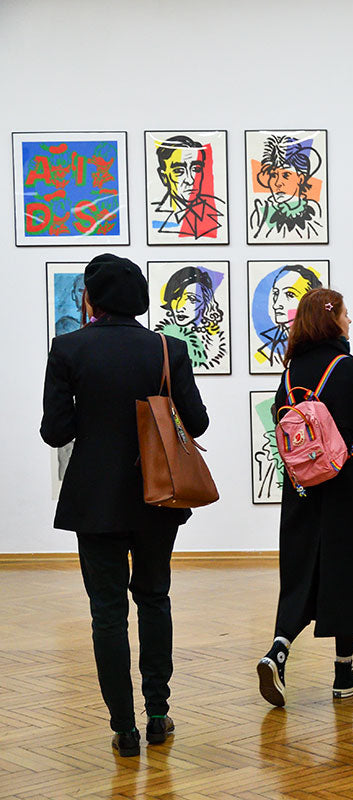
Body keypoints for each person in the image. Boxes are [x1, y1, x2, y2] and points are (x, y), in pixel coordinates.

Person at [40, 253, 209, 758]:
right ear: (138, 296)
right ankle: (158, 713)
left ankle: (124, 728)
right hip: (157, 495)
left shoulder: (68, 348)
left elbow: (55, 431)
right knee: (154, 597)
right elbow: (196, 424)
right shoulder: (167, 348)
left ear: (91, 297)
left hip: (93, 500)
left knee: (106, 614)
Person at [257, 288, 353, 707]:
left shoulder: (288, 375)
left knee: (304, 571)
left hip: (302, 488)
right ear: (331, 319)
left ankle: (278, 650)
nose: (350, 321)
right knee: (349, 575)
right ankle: (343, 673)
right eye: (345, 313)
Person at [249, 134, 323, 240]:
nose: (278, 183)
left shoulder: (317, 214)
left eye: (286, 175)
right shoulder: (261, 215)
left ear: (301, 179)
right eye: (273, 175)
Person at [150, 135, 224, 240]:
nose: (190, 180)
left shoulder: (220, 210)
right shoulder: (153, 216)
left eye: (196, 169)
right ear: (164, 177)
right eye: (179, 171)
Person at [153, 265, 227, 370]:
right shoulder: (167, 336)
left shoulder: (212, 336)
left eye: (192, 299)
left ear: (206, 303)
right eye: (175, 298)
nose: (180, 306)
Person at [256, 263, 322, 368]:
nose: (276, 305)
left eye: (290, 294)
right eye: (276, 294)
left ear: (309, 302)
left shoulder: (322, 349)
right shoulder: (267, 351)